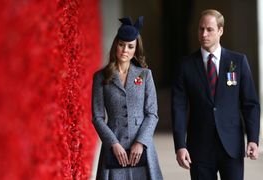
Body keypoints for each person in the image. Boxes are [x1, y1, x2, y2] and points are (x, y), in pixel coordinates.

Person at [172, 9, 260, 180]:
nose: (204, 34)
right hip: (199, 148)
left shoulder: (238, 61)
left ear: (220, 30)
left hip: (231, 146)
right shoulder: (185, 66)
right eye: (200, 29)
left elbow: (250, 104)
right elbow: (179, 108)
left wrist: (253, 139)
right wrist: (180, 146)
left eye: (209, 29)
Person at [91, 16, 163, 180]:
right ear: (115, 45)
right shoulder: (101, 77)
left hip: (142, 148)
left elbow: (152, 113)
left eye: (130, 46)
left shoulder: (145, 75)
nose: (125, 50)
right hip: (114, 147)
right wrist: (113, 144)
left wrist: (141, 142)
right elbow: (97, 117)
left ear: (136, 50)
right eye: (121, 45)